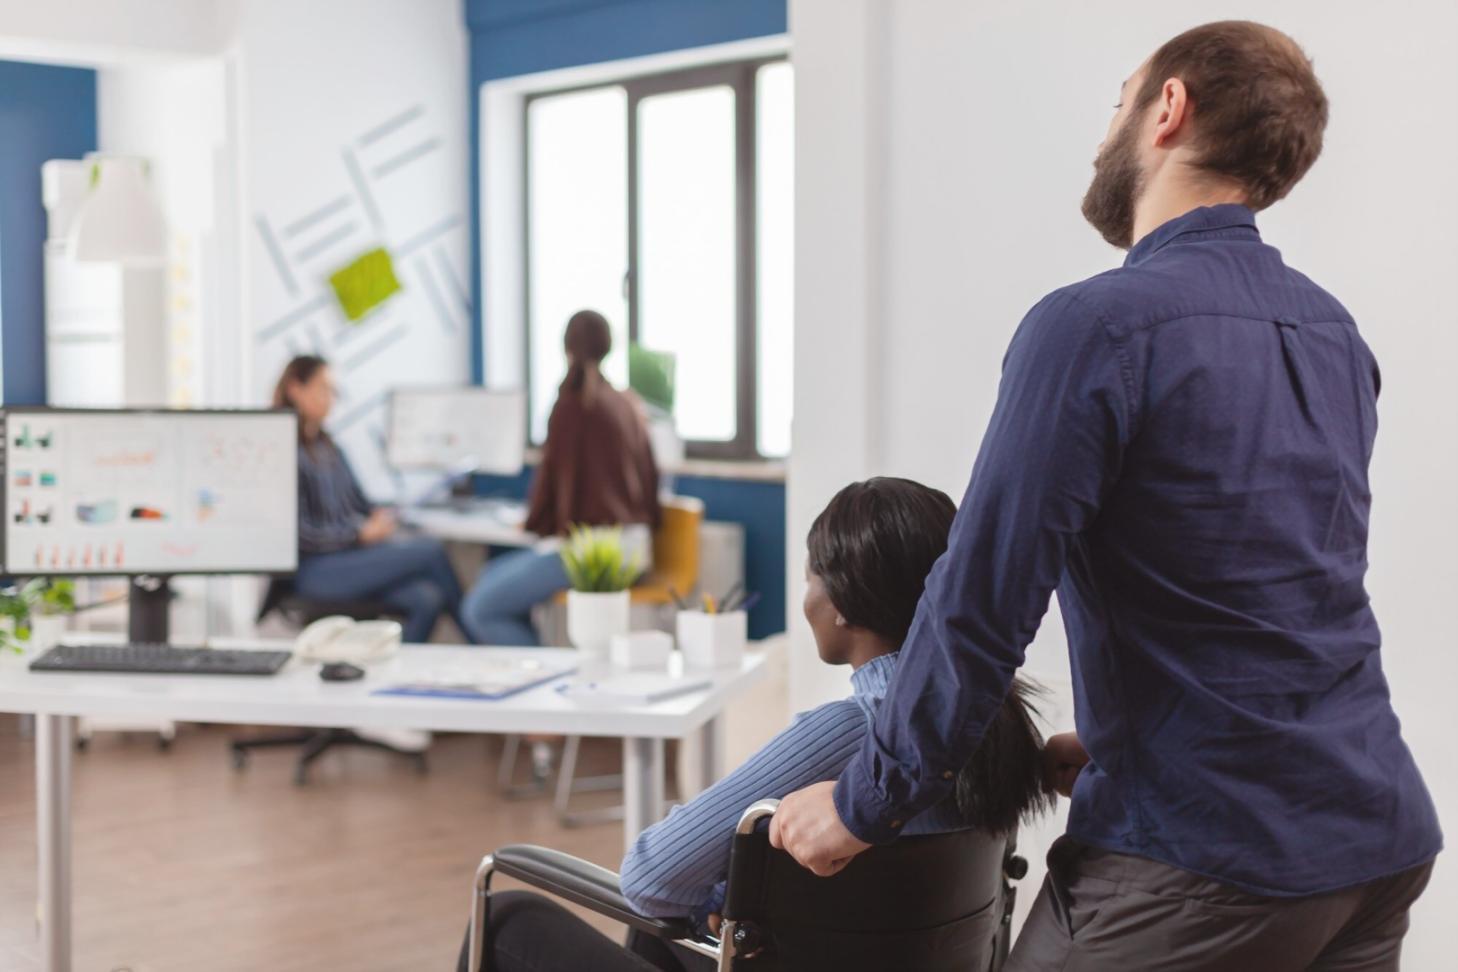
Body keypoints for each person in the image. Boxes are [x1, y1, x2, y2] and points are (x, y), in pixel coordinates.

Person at [769, 21, 1441, 972]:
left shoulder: (1095, 327)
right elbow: (1283, 588)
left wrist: (863, 801)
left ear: (1168, 108)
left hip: (1203, 861)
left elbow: (982, 597)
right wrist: (1133, 726)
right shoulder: (1332, 330)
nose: (1104, 133)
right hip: (1372, 841)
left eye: (1119, 98)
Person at [458, 477, 1052, 971]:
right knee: (659, 933)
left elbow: (649, 878)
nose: (807, 597)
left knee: (510, 911)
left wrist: (713, 897)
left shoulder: (850, 733)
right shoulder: (995, 721)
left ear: (841, 604)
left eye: (810, 578)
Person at [460, 310, 660, 646]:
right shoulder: (627, 403)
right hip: (633, 547)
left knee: (481, 608)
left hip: (595, 552)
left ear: (567, 349)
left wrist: (533, 523)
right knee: (490, 575)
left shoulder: (572, 406)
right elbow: (650, 481)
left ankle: (538, 676)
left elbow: (553, 486)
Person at [276, 355, 464, 644]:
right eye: (323, 388)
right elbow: (297, 534)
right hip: (316, 571)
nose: (331, 398)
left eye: (334, 391)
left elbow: (360, 502)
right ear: (295, 389)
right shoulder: (284, 450)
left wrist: (380, 516)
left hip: (347, 558)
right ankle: (480, 638)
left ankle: (395, 681)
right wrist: (358, 535)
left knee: (426, 598)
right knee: (430, 551)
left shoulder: (328, 447)